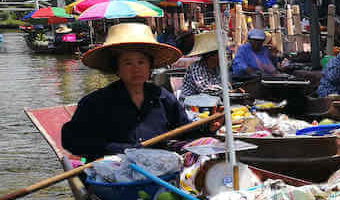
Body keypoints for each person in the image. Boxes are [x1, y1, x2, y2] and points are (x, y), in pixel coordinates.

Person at [61, 23, 188, 160]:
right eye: (128, 63)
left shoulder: (163, 97)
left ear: (149, 66)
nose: (136, 69)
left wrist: (207, 128)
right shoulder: (95, 102)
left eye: (141, 62)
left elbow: (185, 131)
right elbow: (71, 140)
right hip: (113, 173)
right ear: (116, 69)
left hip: (160, 169)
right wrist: (117, 149)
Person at [179, 31, 224, 99]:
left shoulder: (217, 68)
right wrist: (226, 91)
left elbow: (225, 84)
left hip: (210, 101)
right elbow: (205, 89)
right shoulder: (196, 67)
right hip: (191, 103)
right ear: (211, 56)